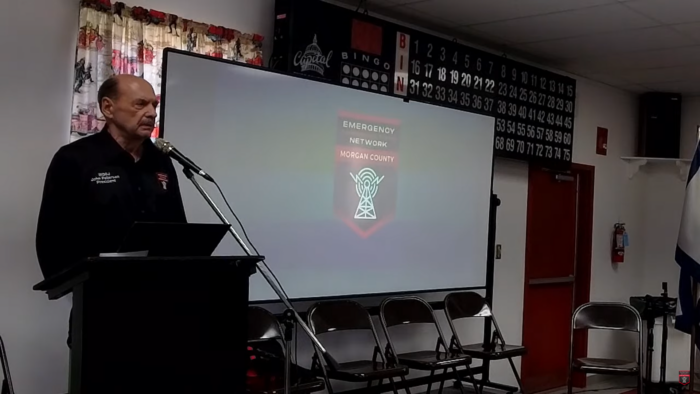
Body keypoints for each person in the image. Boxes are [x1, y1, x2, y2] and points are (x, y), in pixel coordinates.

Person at [36, 75, 187, 345]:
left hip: (161, 305)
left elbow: (178, 230)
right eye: (140, 104)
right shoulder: (74, 159)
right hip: (100, 305)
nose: (151, 113)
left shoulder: (161, 160)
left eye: (154, 105)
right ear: (108, 108)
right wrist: (77, 284)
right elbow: (51, 237)